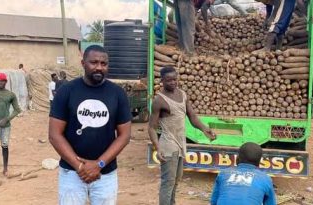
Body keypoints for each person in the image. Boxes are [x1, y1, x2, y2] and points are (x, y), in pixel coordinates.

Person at [49, 45, 132, 205]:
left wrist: (99, 164)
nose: (99, 67)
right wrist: (80, 166)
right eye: (94, 62)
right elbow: (54, 134)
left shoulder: (117, 94)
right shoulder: (67, 91)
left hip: (105, 174)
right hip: (72, 173)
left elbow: (125, 135)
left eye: (104, 64)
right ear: (83, 63)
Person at [148, 66, 216, 205]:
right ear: (162, 81)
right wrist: (157, 147)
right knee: (168, 182)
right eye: (169, 80)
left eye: (175, 79)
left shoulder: (183, 95)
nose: (173, 82)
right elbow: (151, 128)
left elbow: (192, 117)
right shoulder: (159, 101)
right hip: (168, 145)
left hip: (180, 144)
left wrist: (204, 129)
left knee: (177, 180)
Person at [210, 142, 276, 205]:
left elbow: (214, 201)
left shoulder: (223, 174)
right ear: (259, 163)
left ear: (237, 158)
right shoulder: (265, 179)